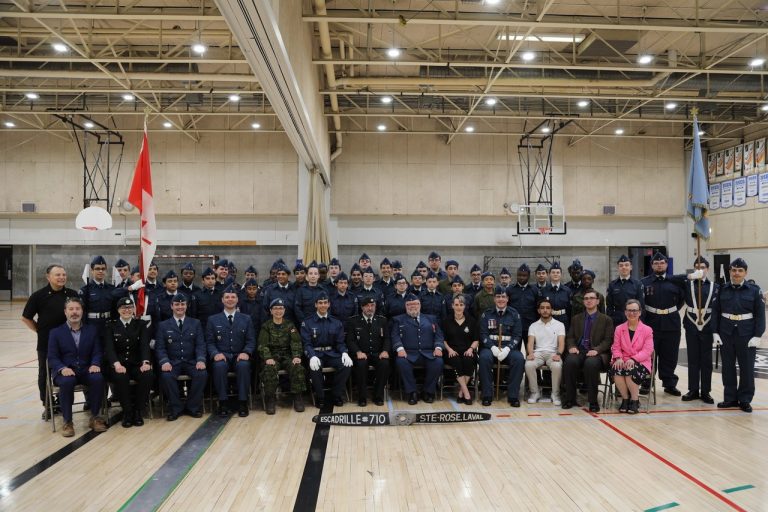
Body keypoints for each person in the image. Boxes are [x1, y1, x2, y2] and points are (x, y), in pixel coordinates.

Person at [22, 264, 79, 417]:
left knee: (67, 372)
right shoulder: (38, 296)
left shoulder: (72, 294)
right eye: (58, 275)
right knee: (44, 374)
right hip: (46, 343)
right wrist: (39, 331)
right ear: (48, 277)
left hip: (69, 344)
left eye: (64, 274)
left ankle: (62, 401)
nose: (62, 277)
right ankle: (48, 404)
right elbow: (26, 318)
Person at [711, 258, 766, 413]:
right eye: (734, 270)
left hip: (746, 334)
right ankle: (730, 398)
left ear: (745, 273)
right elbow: (715, 312)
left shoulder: (754, 290)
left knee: (747, 368)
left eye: (740, 271)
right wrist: (715, 332)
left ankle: (745, 399)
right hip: (726, 333)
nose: (736, 273)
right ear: (730, 272)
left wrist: (758, 335)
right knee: (727, 367)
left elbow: (760, 315)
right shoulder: (722, 289)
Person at [47, 297, 107, 437]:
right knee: (66, 382)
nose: (74, 312)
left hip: (86, 369)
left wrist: (95, 364)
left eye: (77, 309)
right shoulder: (55, 332)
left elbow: (97, 351)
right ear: (65, 312)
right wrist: (62, 368)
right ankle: (67, 421)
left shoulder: (91, 330)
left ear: (82, 311)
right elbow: (52, 357)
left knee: (98, 378)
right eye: (71, 309)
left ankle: (95, 417)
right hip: (65, 371)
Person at [671, 257, 717, 403]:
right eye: (697, 267)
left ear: (708, 269)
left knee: (706, 360)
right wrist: (690, 275)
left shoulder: (715, 286)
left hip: (708, 325)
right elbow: (671, 278)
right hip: (691, 325)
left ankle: (706, 391)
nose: (700, 270)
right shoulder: (687, 283)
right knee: (692, 359)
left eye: (702, 267)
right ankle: (693, 390)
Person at [205, 287, 256, 418]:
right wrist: (215, 353)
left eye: (233, 297)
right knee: (219, 366)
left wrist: (246, 352)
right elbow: (209, 342)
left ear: (237, 300)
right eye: (227, 297)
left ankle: (243, 402)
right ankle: (223, 402)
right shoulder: (213, 319)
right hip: (222, 355)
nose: (230, 299)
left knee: (244, 366)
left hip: (240, 355)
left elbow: (251, 340)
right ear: (222, 300)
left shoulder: (246, 319)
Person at [155, 294, 207, 420]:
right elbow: (160, 348)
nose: (180, 307)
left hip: (191, 361)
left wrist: (200, 360)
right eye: (177, 304)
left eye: (182, 304)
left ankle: (192, 407)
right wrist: (164, 362)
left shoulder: (195, 323)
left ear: (187, 306)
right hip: (172, 362)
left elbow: (200, 344)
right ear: (171, 306)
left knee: (202, 374)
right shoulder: (163, 325)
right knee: (166, 376)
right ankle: (176, 408)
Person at [104, 297, 153, 428]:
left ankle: (138, 411)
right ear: (118, 310)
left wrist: (145, 362)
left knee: (147, 375)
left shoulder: (140, 324)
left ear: (133, 309)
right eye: (123, 308)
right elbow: (109, 348)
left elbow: (144, 345)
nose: (127, 310)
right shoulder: (111, 325)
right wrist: (116, 364)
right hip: (118, 365)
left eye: (130, 307)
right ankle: (127, 412)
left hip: (136, 364)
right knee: (121, 377)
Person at [562, 289, 614, 411]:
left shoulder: (606, 320)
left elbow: (608, 340)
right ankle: (570, 399)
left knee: (590, 364)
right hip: (580, 351)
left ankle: (593, 401)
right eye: (586, 298)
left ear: (598, 301)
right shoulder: (576, 319)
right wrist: (572, 347)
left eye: (591, 298)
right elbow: (570, 337)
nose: (588, 300)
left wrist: (597, 350)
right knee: (569, 362)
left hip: (598, 353)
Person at [641, 251, 685, 396]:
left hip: (671, 323)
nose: (659, 265)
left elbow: (681, 300)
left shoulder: (676, 282)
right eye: (656, 263)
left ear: (666, 264)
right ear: (652, 265)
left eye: (662, 263)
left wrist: (668, 311)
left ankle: (669, 384)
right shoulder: (644, 282)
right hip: (650, 323)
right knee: (649, 354)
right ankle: (647, 382)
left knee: (670, 355)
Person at [391, 294, 445, 405]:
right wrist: (399, 349)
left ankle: (428, 391)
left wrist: (438, 347)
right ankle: (412, 392)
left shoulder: (431, 318)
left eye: (415, 304)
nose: (412, 306)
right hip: (408, 353)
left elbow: (439, 335)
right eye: (409, 304)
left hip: (428, 353)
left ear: (420, 305)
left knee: (438, 362)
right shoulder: (398, 319)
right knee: (401, 362)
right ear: (405, 306)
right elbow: (394, 336)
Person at [302, 293, 353, 407]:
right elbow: (307, 343)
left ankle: (336, 394)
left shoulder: (336, 322)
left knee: (346, 366)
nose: (323, 305)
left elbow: (339, 343)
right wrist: (312, 355)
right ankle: (320, 397)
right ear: (316, 305)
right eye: (320, 303)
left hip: (331, 353)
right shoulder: (308, 322)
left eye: (325, 303)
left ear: (329, 304)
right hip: (316, 354)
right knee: (314, 368)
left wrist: (344, 353)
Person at [478, 286, 525, 407]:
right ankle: (487, 394)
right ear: (494, 299)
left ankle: (513, 395)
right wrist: (492, 347)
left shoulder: (514, 314)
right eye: (498, 297)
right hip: (490, 347)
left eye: (503, 297)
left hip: (508, 348)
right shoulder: (486, 314)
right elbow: (483, 334)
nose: (501, 299)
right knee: (483, 358)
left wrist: (508, 349)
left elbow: (517, 335)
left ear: (507, 299)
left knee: (519, 359)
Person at [258, 298, 306, 414]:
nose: (278, 311)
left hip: (288, 356)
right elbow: (262, 345)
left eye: (280, 308)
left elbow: (296, 342)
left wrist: (296, 356)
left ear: (284, 310)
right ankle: (270, 399)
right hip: (272, 357)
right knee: (269, 369)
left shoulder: (290, 325)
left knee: (297, 367)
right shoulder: (266, 326)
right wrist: (268, 358)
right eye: (275, 308)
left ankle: (298, 397)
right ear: (271, 311)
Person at [610, 299, 654, 414]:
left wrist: (634, 359)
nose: (632, 313)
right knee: (617, 369)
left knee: (630, 369)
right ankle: (625, 399)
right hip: (623, 360)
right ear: (625, 312)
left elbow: (648, 350)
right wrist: (618, 358)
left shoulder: (647, 330)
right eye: (629, 310)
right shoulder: (619, 329)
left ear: (640, 312)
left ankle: (635, 400)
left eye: (635, 311)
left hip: (641, 362)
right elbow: (615, 347)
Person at [345, 297, 391, 406]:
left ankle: (378, 396)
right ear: (362, 307)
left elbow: (387, 338)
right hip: (361, 354)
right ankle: (362, 397)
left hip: (377, 353)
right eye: (367, 306)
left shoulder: (382, 320)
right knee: (361, 365)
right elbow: (350, 340)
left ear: (375, 307)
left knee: (384, 364)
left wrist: (385, 350)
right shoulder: (353, 321)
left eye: (372, 305)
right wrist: (357, 352)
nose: (370, 308)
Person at [524, 298, 565, 406]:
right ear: (538, 311)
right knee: (529, 364)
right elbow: (530, 343)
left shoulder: (560, 325)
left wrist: (559, 354)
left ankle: (555, 394)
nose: (545, 310)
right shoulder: (533, 325)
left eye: (548, 308)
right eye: (542, 308)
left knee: (557, 366)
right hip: (538, 353)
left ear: (551, 310)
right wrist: (530, 353)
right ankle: (535, 393)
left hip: (553, 353)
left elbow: (561, 343)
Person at [441, 295, 479, 405]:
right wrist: (449, 350)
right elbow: (443, 340)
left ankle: (461, 392)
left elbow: (476, 340)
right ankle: (466, 393)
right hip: (451, 351)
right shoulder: (446, 321)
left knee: (469, 360)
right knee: (456, 360)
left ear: (465, 306)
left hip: (467, 350)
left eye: (461, 305)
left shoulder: (472, 321)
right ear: (452, 306)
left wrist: (471, 349)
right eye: (456, 305)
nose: (459, 307)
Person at [79, 255, 117, 336]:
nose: (100, 271)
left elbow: (115, 310)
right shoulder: (85, 290)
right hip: (92, 326)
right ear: (92, 270)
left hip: (108, 326)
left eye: (103, 269)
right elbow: (82, 311)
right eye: (97, 269)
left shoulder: (111, 289)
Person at [606, 255, 644, 328]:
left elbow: (641, 306)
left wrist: (640, 322)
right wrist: (612, 319)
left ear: (631, 267)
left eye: (626, 265)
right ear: (618, 268)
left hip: (633, 319)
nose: (624, 267)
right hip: (617, 320)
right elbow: (609, 306)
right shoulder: (612, 285)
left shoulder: (637, 284)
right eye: (621, 265)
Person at [507, 263, 538, 340]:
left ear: (528, 276)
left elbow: (537, 308)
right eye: (519, 275)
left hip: (530, 326)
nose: (521, 277)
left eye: (524, 275)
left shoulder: (534, 290)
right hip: (513, 326)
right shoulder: (510, 290)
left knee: (530, 347)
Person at [541, 262, 571, 330]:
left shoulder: (567, 290)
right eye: (553, 272)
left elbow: (569, 309)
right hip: (548, 319)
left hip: (563, 320)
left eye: (558, 272)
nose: (555, 274)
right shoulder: (544, 291)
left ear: (561, 274)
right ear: (549, 274)